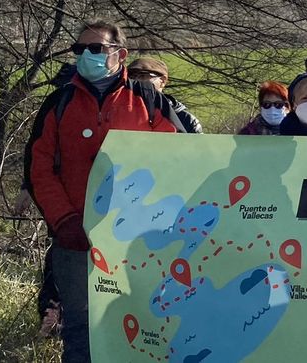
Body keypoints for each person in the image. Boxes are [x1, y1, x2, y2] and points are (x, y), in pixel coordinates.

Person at [26, 21, 200, 363]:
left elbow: (181, 158)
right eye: (79, 49)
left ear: (120, 54)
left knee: (147, 323)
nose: (85, 55)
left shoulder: (149, 99)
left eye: (95, 49)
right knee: (81, 330)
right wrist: (64, 221)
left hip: (140, 244)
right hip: (75, 242)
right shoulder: (58, 103)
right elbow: (38, 168)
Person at [127, 57, 203, 133]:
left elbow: (197, 141)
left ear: (162, 81)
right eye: (131, 77)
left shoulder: (185, 119)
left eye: (143, 76)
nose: (136, 80)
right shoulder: (123, 111)